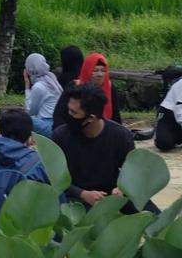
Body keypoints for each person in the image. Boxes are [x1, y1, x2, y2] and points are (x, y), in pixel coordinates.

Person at [52, 83, 154, 213]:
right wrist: (81, 193)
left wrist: (122, 189)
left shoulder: (121, 135)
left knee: (154, 218)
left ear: (90, 118)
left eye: (74, 113)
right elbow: (53, 178)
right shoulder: (60, 136)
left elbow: (134, 172)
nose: (68, 115)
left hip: (114, 196)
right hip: (76, 198)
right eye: (68, 110)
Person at [53, 52, 121, 128]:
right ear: (87, 70)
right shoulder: (75, 86)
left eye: (103, 71)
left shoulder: (110, 87)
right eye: (95, 70)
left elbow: (116, 117)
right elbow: (59, 113)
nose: (100, 74)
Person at [24, 53, 63, 137]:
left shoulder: (39, 86)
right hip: (57, 124)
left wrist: (27, 87)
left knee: (21, 118)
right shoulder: (51, 79)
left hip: (48, 126)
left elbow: (30, 111)